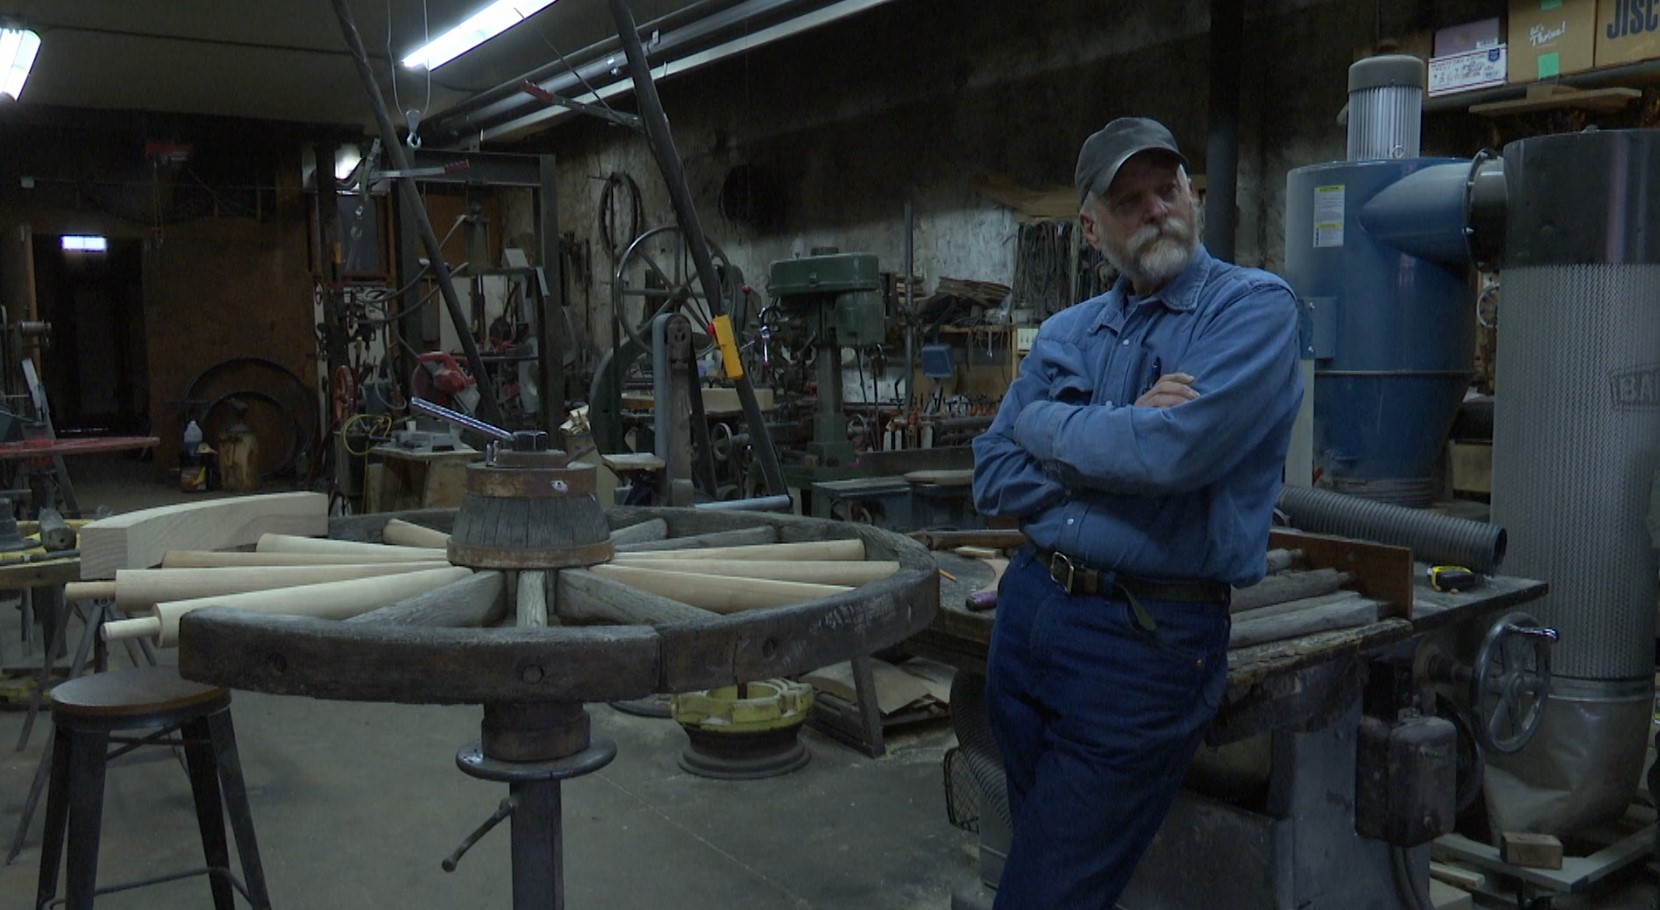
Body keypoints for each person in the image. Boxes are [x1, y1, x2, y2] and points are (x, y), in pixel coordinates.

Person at [970, 116, 1303, 908]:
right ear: (1092, 229)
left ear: (1192, 193)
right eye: (1130, 200)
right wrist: (1120, 434)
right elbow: (991, 475)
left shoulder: (1251, 310)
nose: (1156, 209)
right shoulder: (1070, 331)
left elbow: (1172, 456)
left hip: (1142, 641)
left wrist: (1047, 426)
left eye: (1168, 189)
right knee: (1052, 862)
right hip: (1028, 618)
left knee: (1044, 892)